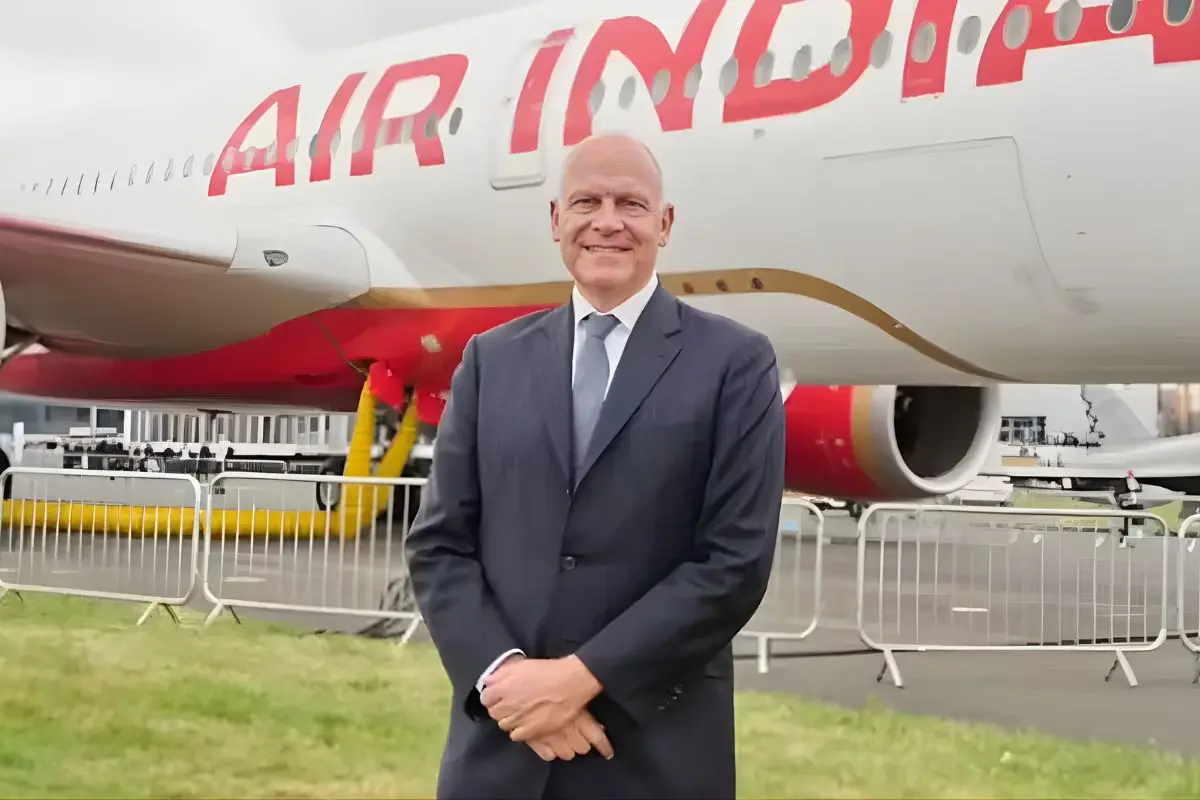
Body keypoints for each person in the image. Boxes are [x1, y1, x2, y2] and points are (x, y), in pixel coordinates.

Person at [404, 132, 786, 800]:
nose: (607, 222)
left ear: (664, 224)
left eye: (631, 204)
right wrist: (504, 678)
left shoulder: (735, 364)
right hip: (503, 750)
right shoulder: (491, 361)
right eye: (587, 202)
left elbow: (734, 561)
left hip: (652, 755)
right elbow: (439, 545)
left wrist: (578, 680)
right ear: (557, 219)